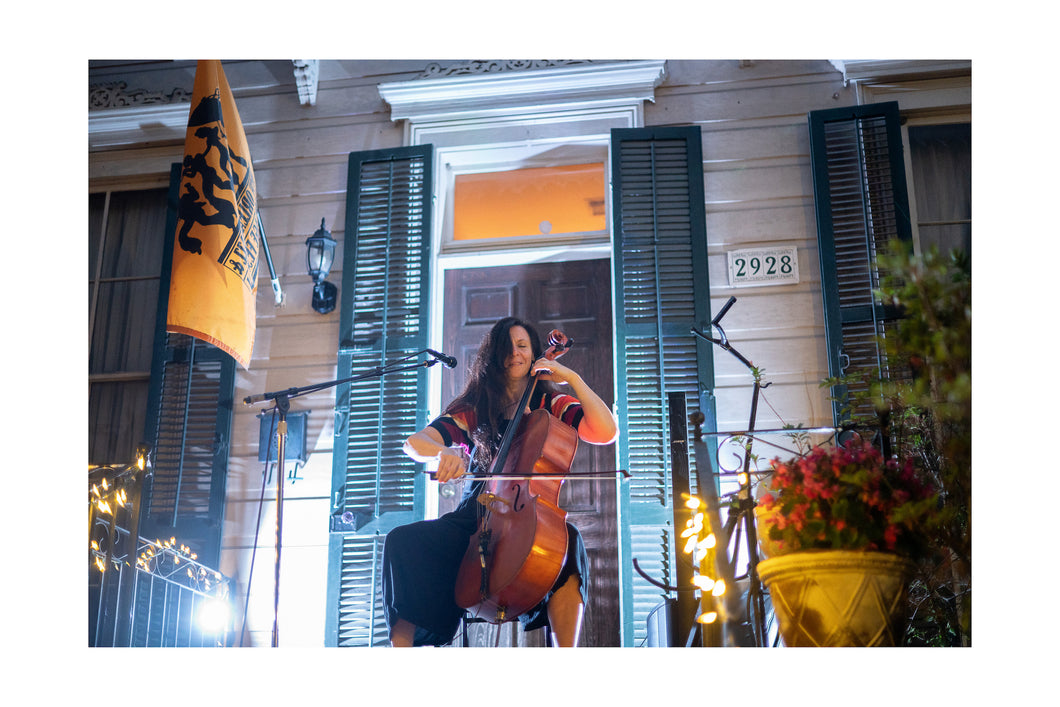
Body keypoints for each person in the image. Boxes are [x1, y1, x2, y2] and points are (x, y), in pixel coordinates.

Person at [382, 317, 619, 647]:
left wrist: (572, 378)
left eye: (522, 346)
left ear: (535, 353)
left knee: (566, 542)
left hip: (525, 517)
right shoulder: (475, 408)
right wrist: (441, 453)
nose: (515, 354)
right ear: (492, 356)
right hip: (474, 515)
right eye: (506, 348)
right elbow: (415, 443)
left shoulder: (550, 405)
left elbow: (606, 432)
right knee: (403, 541)